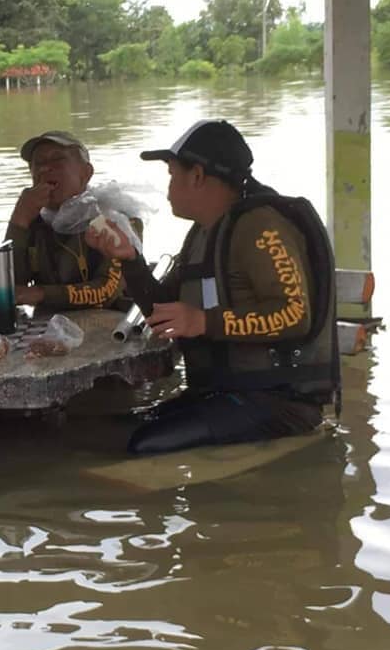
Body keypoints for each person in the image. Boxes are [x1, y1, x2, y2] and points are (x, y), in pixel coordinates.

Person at [85, 119, 339, 455]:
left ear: (198, 176)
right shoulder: (204, 232)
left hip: (277, 399)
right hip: (223, 392)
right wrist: (130, 259)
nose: (169, 187)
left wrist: (204, 321)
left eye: (173, 175)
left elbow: (294, 315)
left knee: (142, 445)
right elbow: (163, 310)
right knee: (107, 432)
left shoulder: (261, 227)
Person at [4, 131, 125, 310]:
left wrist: (40, 294)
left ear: (86, 173)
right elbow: (7, 288)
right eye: (38, 163)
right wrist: (18, 221)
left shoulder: (112, 217)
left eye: (56, 160)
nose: (44, 169)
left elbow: (107, 291)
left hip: (110, 325)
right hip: (48, 330)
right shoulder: (33, 220)